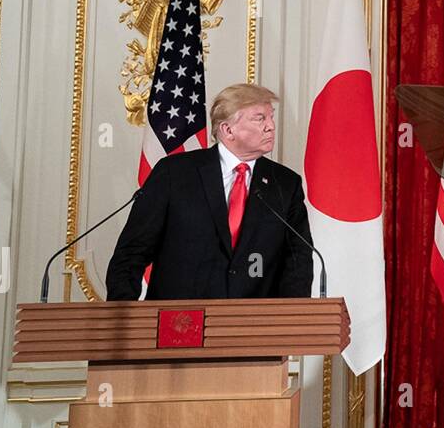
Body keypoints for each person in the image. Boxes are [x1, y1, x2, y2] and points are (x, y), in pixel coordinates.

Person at [106, 83, 314, 299]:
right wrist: (123, 321)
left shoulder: (285, 184)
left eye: (271, 117)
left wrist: (290, 321)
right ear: (227, 129)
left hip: (253, 324)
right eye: (260, 118)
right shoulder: (174, 173)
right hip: (178, 322)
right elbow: (132, 252)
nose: (271, 126)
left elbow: (298, 263)